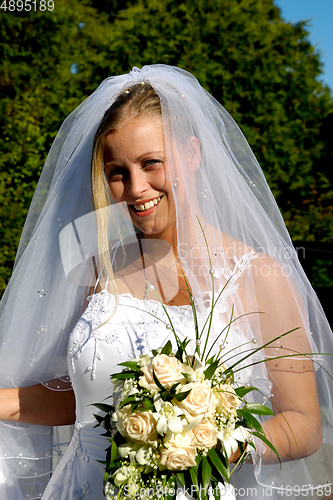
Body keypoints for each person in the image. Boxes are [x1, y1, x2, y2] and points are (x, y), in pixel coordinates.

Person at [0, 65, 332, 500]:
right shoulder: (95, 269)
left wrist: (204, 443)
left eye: (151, 163)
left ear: (192, 154)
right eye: (117, 171)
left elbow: (303, 424)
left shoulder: (257, 276)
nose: (136, 189)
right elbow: (85, 399)